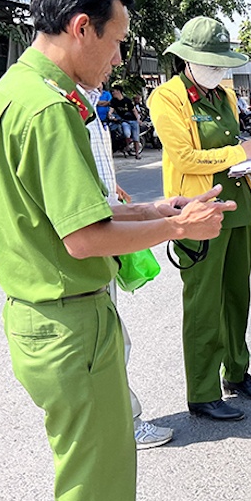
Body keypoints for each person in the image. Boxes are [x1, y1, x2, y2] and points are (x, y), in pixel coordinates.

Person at [0, 0, 237, 501]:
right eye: (118, 41)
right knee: (93, 469)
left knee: (112, 453)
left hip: (62, 316)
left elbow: (78, 213)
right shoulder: (46, 107)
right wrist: (178, 226)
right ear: (80, 27)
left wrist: (155, 207)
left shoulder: (17, 93)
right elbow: (86, 236)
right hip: (64, 317)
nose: (121, 57)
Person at [148, 16, 251, 422]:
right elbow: (183, 156)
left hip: (238, 207)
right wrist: (238, 154)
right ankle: (202, 392)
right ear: (188, 59)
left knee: (238, 295)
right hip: (197, 210)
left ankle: (237, 372)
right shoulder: (166, 98)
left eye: (222, 63)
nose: (219, 70)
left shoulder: (225, 95)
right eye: (211, 62)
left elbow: (235, 144)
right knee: (203, 302)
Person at [83, 83, 174, 449]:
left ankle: (118, 420)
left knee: (112, 339)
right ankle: (124, 422)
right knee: (109, 343)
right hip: (92, 239)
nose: (118, 57)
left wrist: (112, 187)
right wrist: (169, 225)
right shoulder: (58, 108)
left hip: (104, 216)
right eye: (115, 42)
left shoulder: (88, 103)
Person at [110, 84, 142, 158]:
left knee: (136, 138)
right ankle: (127, 146)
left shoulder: (127, 100)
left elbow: (134, 110)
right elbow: (110, 110)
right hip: (124, 121)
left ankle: (137, 154)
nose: (112, 93)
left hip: (133, 120)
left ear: (118, 91)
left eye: (114, 91)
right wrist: (110, 115)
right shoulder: (114, 101)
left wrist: (138, 119)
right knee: (126, 134)